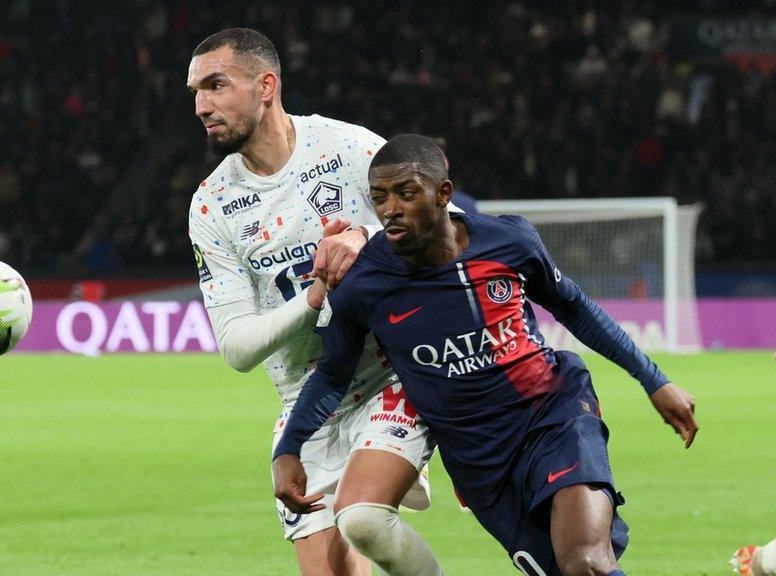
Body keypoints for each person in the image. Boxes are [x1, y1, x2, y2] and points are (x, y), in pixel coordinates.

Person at [273, 135, 699, 575]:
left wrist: (654, 379)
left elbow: (574, 307)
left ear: (443, 194)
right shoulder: (363, 284)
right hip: (479, 460)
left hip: (552, 417)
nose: (390, 209)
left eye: (406, 192)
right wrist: (288, 449)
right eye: (379, 197)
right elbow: (332, 375)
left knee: (587, 563)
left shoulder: (508, 240)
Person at [187, 29, 444, 576]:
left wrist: (365, 240)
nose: (201, 106)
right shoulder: (212, 206)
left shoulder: (349, 150)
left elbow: (449, 233)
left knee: (364, 518)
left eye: (215, 86)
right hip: (308, 402)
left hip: (389, 377)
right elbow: (236, 348)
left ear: (266, 86)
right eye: (194, 92)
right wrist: (315, 293)